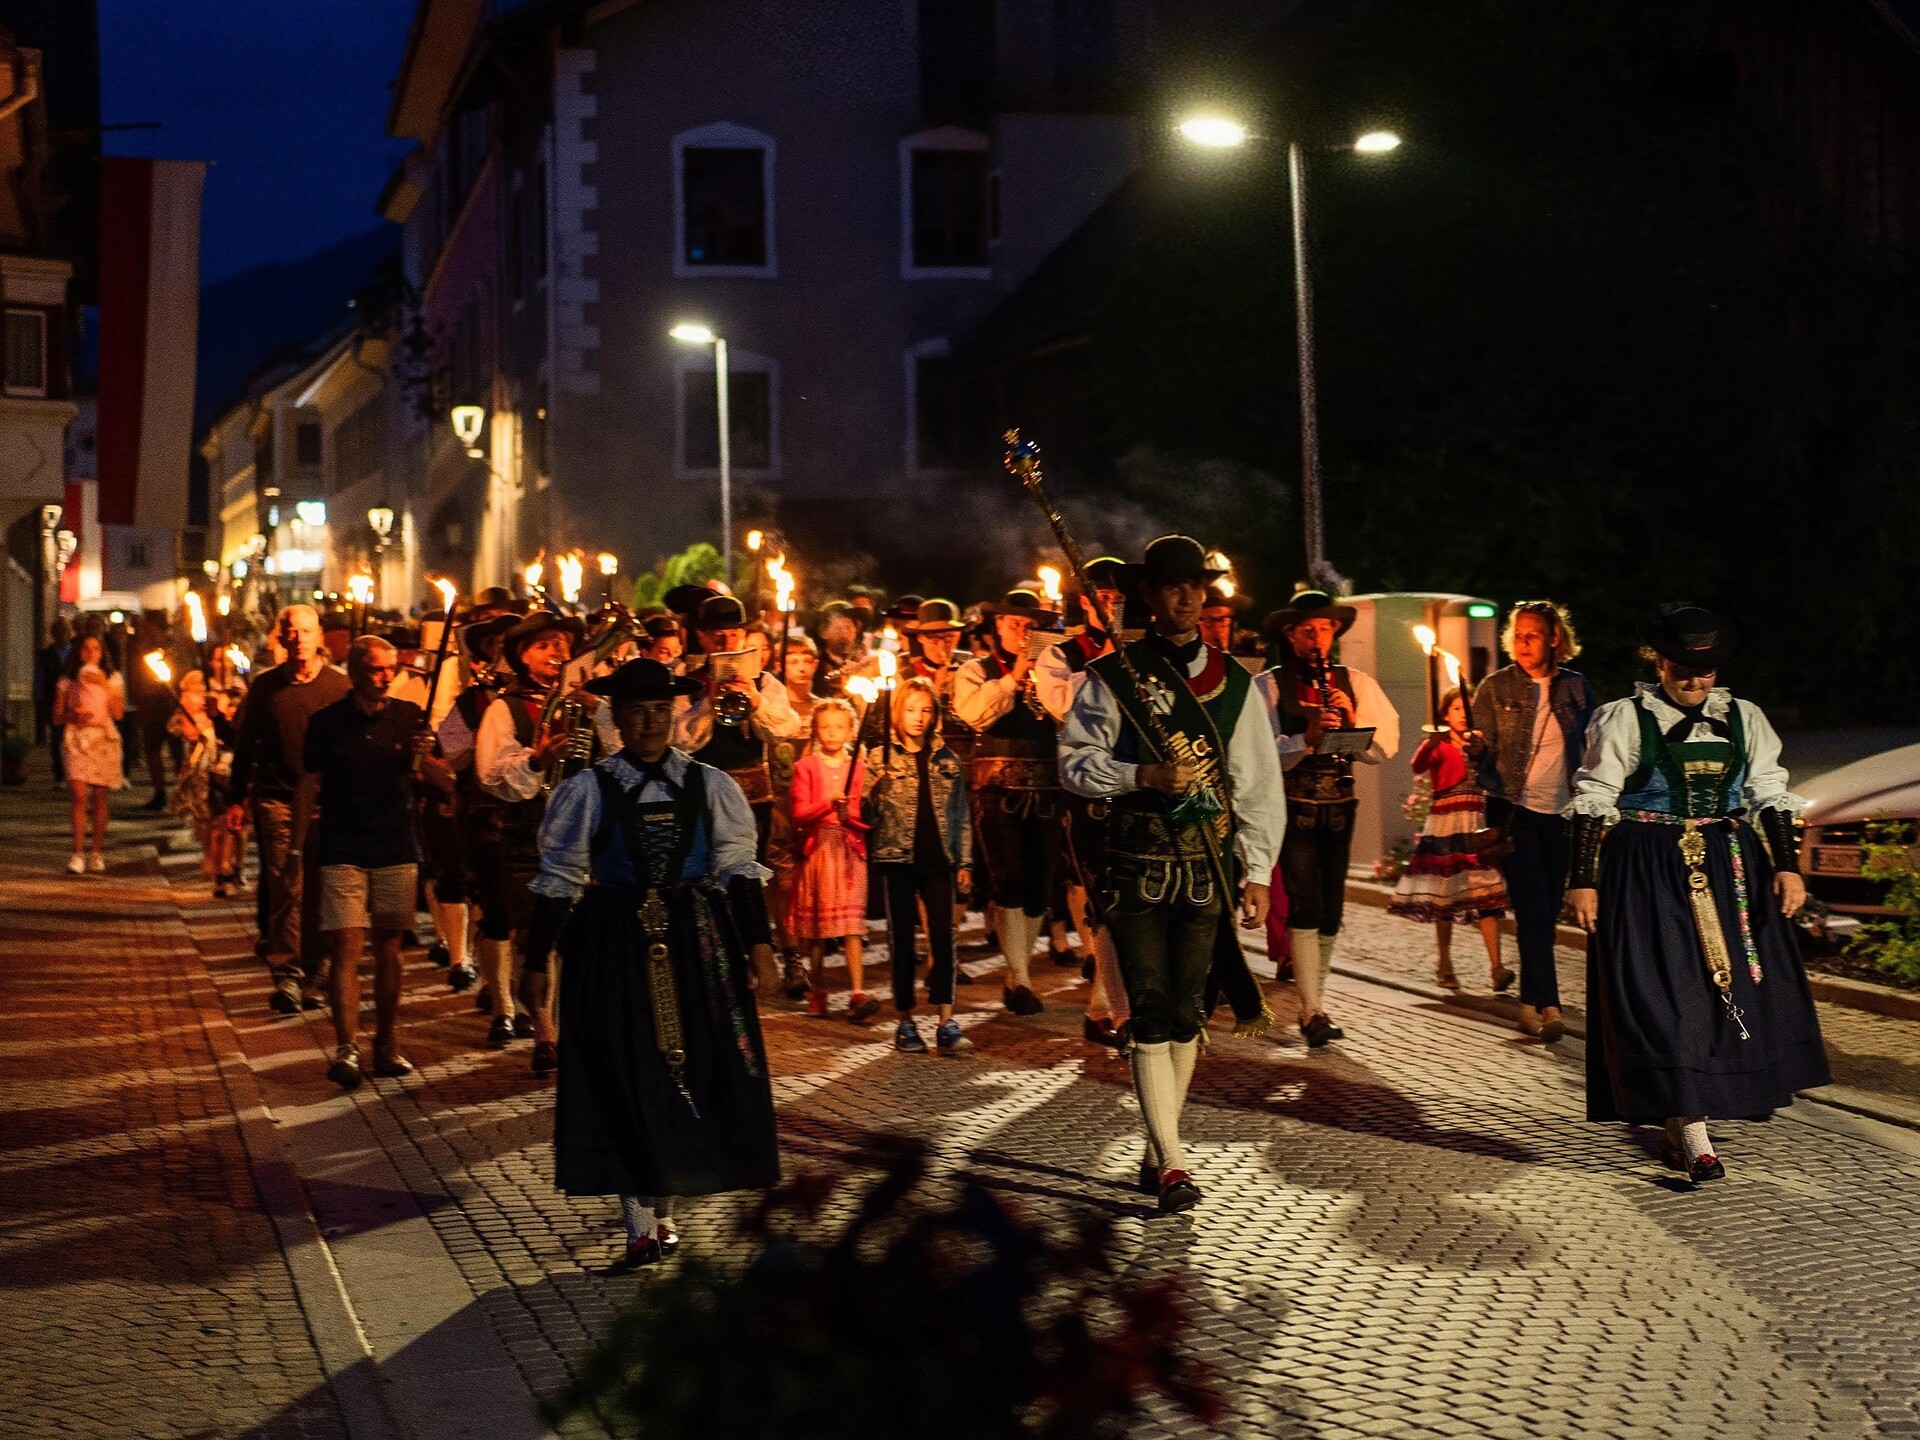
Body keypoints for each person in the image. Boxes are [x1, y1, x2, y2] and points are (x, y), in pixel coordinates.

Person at [527, 658, 780, 1269]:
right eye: (637, 711)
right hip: (613, 943)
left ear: (674, 716)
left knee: (688, 1069)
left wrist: (759, 944)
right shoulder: (589, 789)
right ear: (616, 718)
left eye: (659, 711)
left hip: (696, 942)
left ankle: (665, 1212)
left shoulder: (710, 785)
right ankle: (639, 1221)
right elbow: (560, 878)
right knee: (623, 1069)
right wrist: (536, 960)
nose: (649, 722)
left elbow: (737, 866)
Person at [1059, 535, 1287, 1215]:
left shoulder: (1236, 683)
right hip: (1135, 864)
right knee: (1149, 1012)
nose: (1186, 598)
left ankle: (1160, 1147)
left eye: (1195, 586)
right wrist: (1141, 775)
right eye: (1171, 586)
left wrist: (1257, 871)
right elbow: (1073, 763)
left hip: (1208, 869)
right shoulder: (1111, 676)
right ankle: (1174, 1164)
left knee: (1188, 1015)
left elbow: (1258, 784)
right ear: (1150, 596)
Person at [1566, 603, 1829, 1186]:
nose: (1693, 681)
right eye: (1682, 668)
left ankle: (1698, 1105)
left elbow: (1768, 791)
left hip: (1730, 867)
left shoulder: (1744, 718)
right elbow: (1595, 796)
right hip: (1645, 868)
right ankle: (1690, 1128)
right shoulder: (1625, 718)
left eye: (1704, 671)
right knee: (1664, 992)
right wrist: (1582, 879)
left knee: (1727, 991)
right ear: (1659, 663)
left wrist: (1788, 868)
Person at [1256, 590, 1400, 1048]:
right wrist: (1306, 738)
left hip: (1340, 806)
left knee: (1332, 908)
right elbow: (1258, 754)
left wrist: (1352, 723)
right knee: (1305, 903)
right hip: (1293, 807)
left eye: (1324, 629)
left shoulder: (1355, 682)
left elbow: (1384, 747)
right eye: (1307, 631)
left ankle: (1315, 1002)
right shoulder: (1268, 685)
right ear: (1290, 634)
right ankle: (1311, 1008)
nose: (1317, 638)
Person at [305, 636, 449, 1089]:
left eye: (391, 669)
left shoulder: (409, 716)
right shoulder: (327, 722)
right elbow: (309, 782)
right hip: (343, 846)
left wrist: (426, 754)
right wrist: (297, 848)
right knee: (346, 945)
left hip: (394, 845)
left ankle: (386, 1042)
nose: (386, 677)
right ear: (354, 672)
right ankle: (346, 1047)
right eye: (375, 669)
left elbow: (439, 776)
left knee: (390, 946)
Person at [474, 610, 603, 1067]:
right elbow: (490, 774)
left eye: (562, 643)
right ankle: (545, 1031)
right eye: (544, 645)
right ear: (522, 657)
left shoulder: (590, 701)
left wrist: (600, 713)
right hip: (528, 832)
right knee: (537, 933)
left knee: (578, 936)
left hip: (584, 831)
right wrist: (536, 761)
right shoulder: (504, 707)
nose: (557, 651)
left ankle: (571, 1025)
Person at [1469, 599, 1597, 1041]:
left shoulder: (1577, 688)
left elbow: (1594, 747)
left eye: (1533, 635)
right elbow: (1481, 757)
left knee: (1546, 912)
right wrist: (1475, 750)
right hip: (1514, 812)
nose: (1523, 643)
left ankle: (1528, 1003)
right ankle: (1549, 1007)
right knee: (1533, 909)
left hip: (1563, 814)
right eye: (1518, 635)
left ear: (1554, 639)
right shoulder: (1495, 687)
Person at [226, 605, 352, 1012]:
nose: (299, 639)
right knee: (286, 886)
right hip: (278, 799)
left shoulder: (339, 686)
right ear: (281, 638)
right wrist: (236, 798)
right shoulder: (266, 687)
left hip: (328, 803)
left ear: (319, 637)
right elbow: (246, 746)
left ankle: (317, 969)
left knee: (322, 888)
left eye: (306, 631)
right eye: (291, 632)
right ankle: (288, 975)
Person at [1033, 557, 1133, 1048]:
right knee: (1105, 900)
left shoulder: (1139, 648)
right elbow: (1066, 708)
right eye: (1102, 597)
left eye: (1117, 598)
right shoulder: (1059, 654)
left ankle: (1103, 1008)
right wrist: (1108, 662)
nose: (1110, 605)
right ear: (1083, 601)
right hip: (1087, 789)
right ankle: (1117, 1012)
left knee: (1128, 902)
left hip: (1133, 784)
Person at [954, 588, 1068, 1016]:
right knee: (1009, 881)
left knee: (1039, 886)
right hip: (996, 792)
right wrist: (1013, 676)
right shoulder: (975, 669)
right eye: (1015, 624)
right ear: (997, 626)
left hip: (1047, 789)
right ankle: (1018, 976)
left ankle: (1019, 972)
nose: (1022, 632)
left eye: (1030, 626)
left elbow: (1069, 717)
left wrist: (1044, 679)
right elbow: (973, 714)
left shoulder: (1054, 670)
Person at [865, 677, 973, 1054]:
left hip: (938, 859)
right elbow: (865, 815)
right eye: (911, 709)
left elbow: (961, 814)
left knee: (944, 938)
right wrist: (867, 796)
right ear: (898, 712)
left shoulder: (948, 759)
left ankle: (946, 1020)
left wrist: (965, 861)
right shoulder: (879, 757)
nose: (918, 717)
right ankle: (906, 1020)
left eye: (926, 710)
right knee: (902, 942)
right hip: (896, 858)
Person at [1388, 688, 1512, 990]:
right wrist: (1431, 744)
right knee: (1445, 895)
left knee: (1485, 891)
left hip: (1476, 821)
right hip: (1447, 821)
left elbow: (1496, 773)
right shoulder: (1439, 743)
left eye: (1465, 708)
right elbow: (1417, 765)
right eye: (1456, 708)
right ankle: (1444, 963)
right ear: (1445, 714)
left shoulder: (1478, 742)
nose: (1462, 714)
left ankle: (1497, 967)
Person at [674, 594, 805, 866]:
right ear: (701, 637)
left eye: (734, 635)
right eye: (717, 637)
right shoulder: (686, 682)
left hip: (752, 800)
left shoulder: (764, 681)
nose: (727, 644)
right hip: (702, 797)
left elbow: (787, 728)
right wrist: (708, 704)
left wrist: (756, 701)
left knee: (747, 871)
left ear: (744, 635)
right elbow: (679, 740)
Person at [432, 610, 518, 994]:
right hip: (487, 816)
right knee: (490, 898)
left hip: (536, 817)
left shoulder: (549, 697)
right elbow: (450, 753)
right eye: (500, 645)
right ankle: (496, 988)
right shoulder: (474, 700)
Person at [788, 699, 877, 1022]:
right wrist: (827, 803)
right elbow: (799, 812)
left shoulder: (860, 768)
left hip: (849, 851)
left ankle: (857, 991)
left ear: (851, 730)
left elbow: (865, 815)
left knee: (852, 925)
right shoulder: (807, 767)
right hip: (820, 852)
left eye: (839, 726)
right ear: (815, 730)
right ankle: (818, 989)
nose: (832, 733)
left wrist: (851, 814)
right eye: (825, 727)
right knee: (818, 928)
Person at [51, 634, 126, 873]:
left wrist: (105, 685)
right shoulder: (67, 680)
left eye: (96, 648)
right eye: (86, 648)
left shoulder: (113, 678)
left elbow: (118, 713)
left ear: (103, 653)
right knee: (79, 794)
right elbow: (56, 716)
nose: (91, 653)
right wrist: (71, 716)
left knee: (100, 797)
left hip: (103, 739)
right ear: (78, 652)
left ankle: (96, 852)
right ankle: (77, 854)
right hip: (77, 739)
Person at [167, 671, 239, 894]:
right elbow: (183, 730)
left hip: (224, 762)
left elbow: (231, 728)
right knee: (206, 815)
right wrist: (196, 727)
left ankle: (225, 864)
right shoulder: (188, 703)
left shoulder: (226, 698)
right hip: (202, 763)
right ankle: (214, 859)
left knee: (225, 817)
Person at [36, 616, 71, 784]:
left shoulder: (76, 653)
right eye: (58, 631)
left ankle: (73, 771)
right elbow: (40, 678)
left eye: (65, 630)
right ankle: (59, 774)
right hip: (53, 701)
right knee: (57, 739)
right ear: (53, 633)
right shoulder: (46, 655)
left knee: (72, 739)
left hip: (73, 701)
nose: (62, 634)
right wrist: (40, 698)